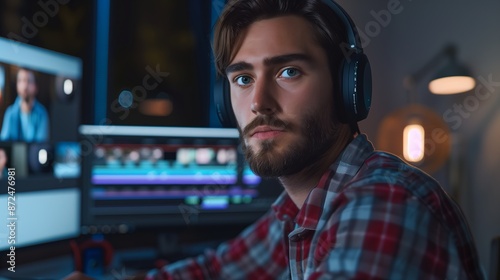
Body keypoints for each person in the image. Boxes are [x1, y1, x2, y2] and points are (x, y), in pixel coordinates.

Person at [66, 0, 484, 279]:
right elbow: (215, 270)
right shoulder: (297, 209)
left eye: (288, 72)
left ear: (348, 88)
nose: (259, 102)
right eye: (243, 78)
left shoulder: (386, 203)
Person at [0, 67, 49, 142]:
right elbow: (3, 142)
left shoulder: (42, 113)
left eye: (29, 81)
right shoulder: (10, 112)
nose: (25, 86)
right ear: (17, 85)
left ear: (35, 87)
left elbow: (41, 143)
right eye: (21, 80)